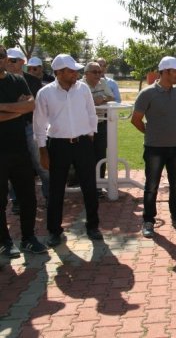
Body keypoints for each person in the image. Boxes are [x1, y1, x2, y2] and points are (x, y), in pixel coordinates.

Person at [33, 54, 103, 247]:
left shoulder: (83, 90)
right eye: (71, 71)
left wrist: (90, 134)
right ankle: (55, 231)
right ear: (59, 72)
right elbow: (39, 125)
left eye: (75, 71)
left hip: (82, 143)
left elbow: (91, 113)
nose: (75, 74)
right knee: (56, 190)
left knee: (90, 187)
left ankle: (93, 226)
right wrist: (42, 151)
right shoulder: (45, 93)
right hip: (58, 145)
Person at [131, 56, 176, 238]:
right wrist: (151, 133)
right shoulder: (147, 93)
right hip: (154, 148)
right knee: (152, 185)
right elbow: (136, 119)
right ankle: (148, 220)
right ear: (165, 72)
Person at [0, 45, 47, 257]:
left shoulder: (17, 80)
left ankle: (28, 238)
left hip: (19, 150)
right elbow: (23, 107)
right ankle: (5, 242)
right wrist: (17, 109)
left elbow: (31, 105)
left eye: (3, 56)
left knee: (28, 196)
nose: (2, 60)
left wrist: (5, 108)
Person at [5, 48, 49, 211]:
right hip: (10, 130)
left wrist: (20, 106)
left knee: (41, 164)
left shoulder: (32, 82)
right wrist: (20, 106)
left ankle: (49, 196)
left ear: (22, 62)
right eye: (7, 59)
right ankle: (16, 201)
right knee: (12, 166)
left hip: (31, 127)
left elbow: (34, 106)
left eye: (13, 60)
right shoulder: (4, 81)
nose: (9, 62)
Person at [81, 62, 116, 197]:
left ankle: (99, 187)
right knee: (85, 156)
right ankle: (87, 186)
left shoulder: (103, 83)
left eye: (99, 72)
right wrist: (92, 100)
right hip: (85, 126)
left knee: (100, 154)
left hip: (101, 124)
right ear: (86, 74)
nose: (98, 75)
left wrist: (102, 98)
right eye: (95, 72)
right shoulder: (80, 86)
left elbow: (112, 97)